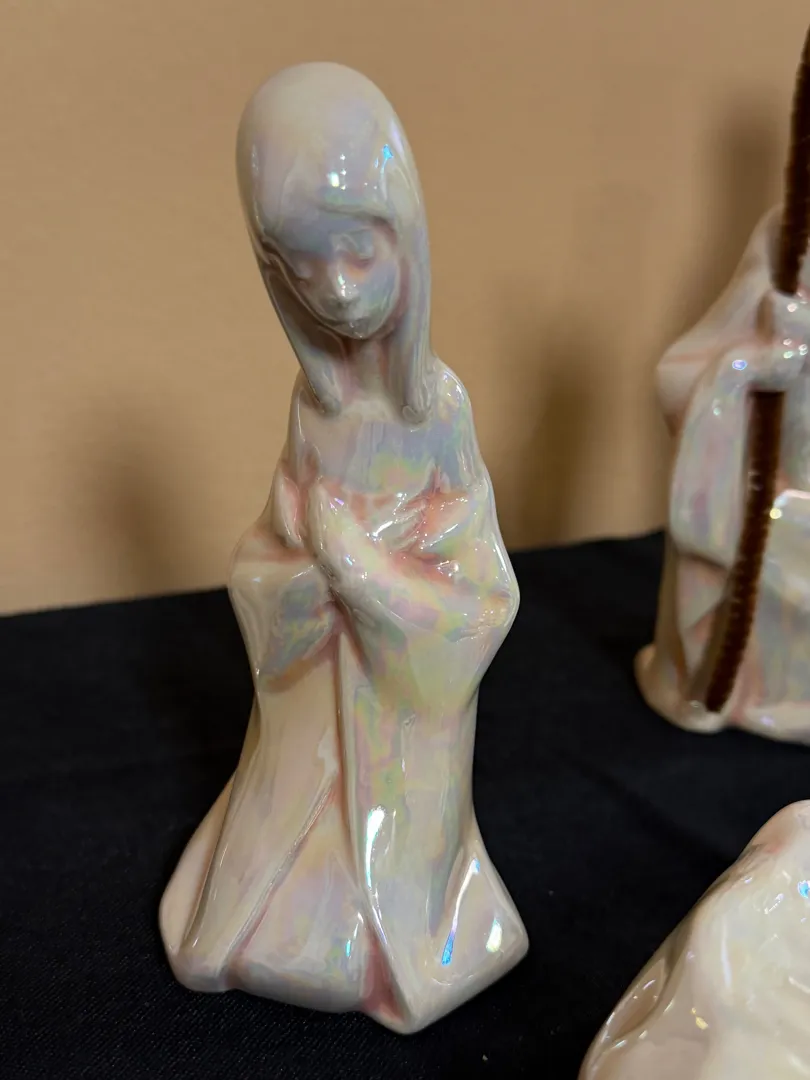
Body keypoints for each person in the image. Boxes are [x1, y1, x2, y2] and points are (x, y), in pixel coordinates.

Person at [160, 62, 527, 1034]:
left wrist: (365, 572)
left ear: (405, 235)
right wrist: (305, 572)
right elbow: (268, 560)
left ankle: (399, 917)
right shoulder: (312, 408)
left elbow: (482, 594)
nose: (336, 291)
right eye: (300, 267)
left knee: (374, 914)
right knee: (257, 915)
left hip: (402, 730)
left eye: (358, 253)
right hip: (311, 721)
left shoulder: (438, 412)